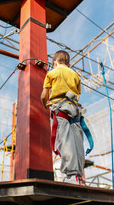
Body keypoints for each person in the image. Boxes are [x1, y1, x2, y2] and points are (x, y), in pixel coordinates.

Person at [41, 50, 85, 184]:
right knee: (77, 141)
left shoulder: (52, 73)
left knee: (64, 140)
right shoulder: (76, 75)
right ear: (69, 64)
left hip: (60, 108)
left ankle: (69, 171)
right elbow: (77, 94)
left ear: (55, 63)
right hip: (75, 110)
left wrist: (46, 105)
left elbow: (44, 96)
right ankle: (78, 171)